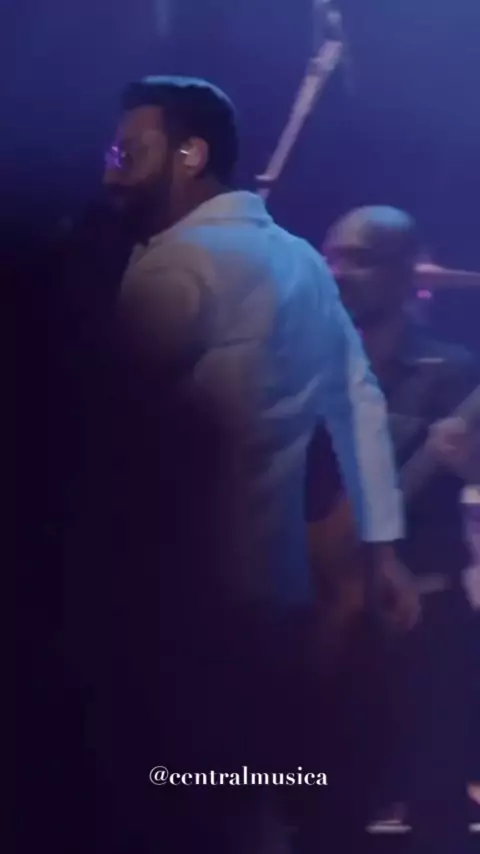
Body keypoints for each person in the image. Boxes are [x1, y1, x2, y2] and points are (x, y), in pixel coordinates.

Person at [66, 79, 409, 854]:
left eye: (127, 152)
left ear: (190, 156)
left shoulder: (179, 266)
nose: (110, 169)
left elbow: (106, 427)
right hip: (272, 588)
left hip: (168, 592)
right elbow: (358, 402)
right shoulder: (300, 261)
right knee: (241, 790)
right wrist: (380, 547)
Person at [308, 205, 479, 854]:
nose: (338, 271)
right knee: (327, 807)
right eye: (331, 255)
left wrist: (470, 462)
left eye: (360, 259)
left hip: (424, 624)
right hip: (323, 616)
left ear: (409, 275)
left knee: (437, 809)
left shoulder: (453, 371)